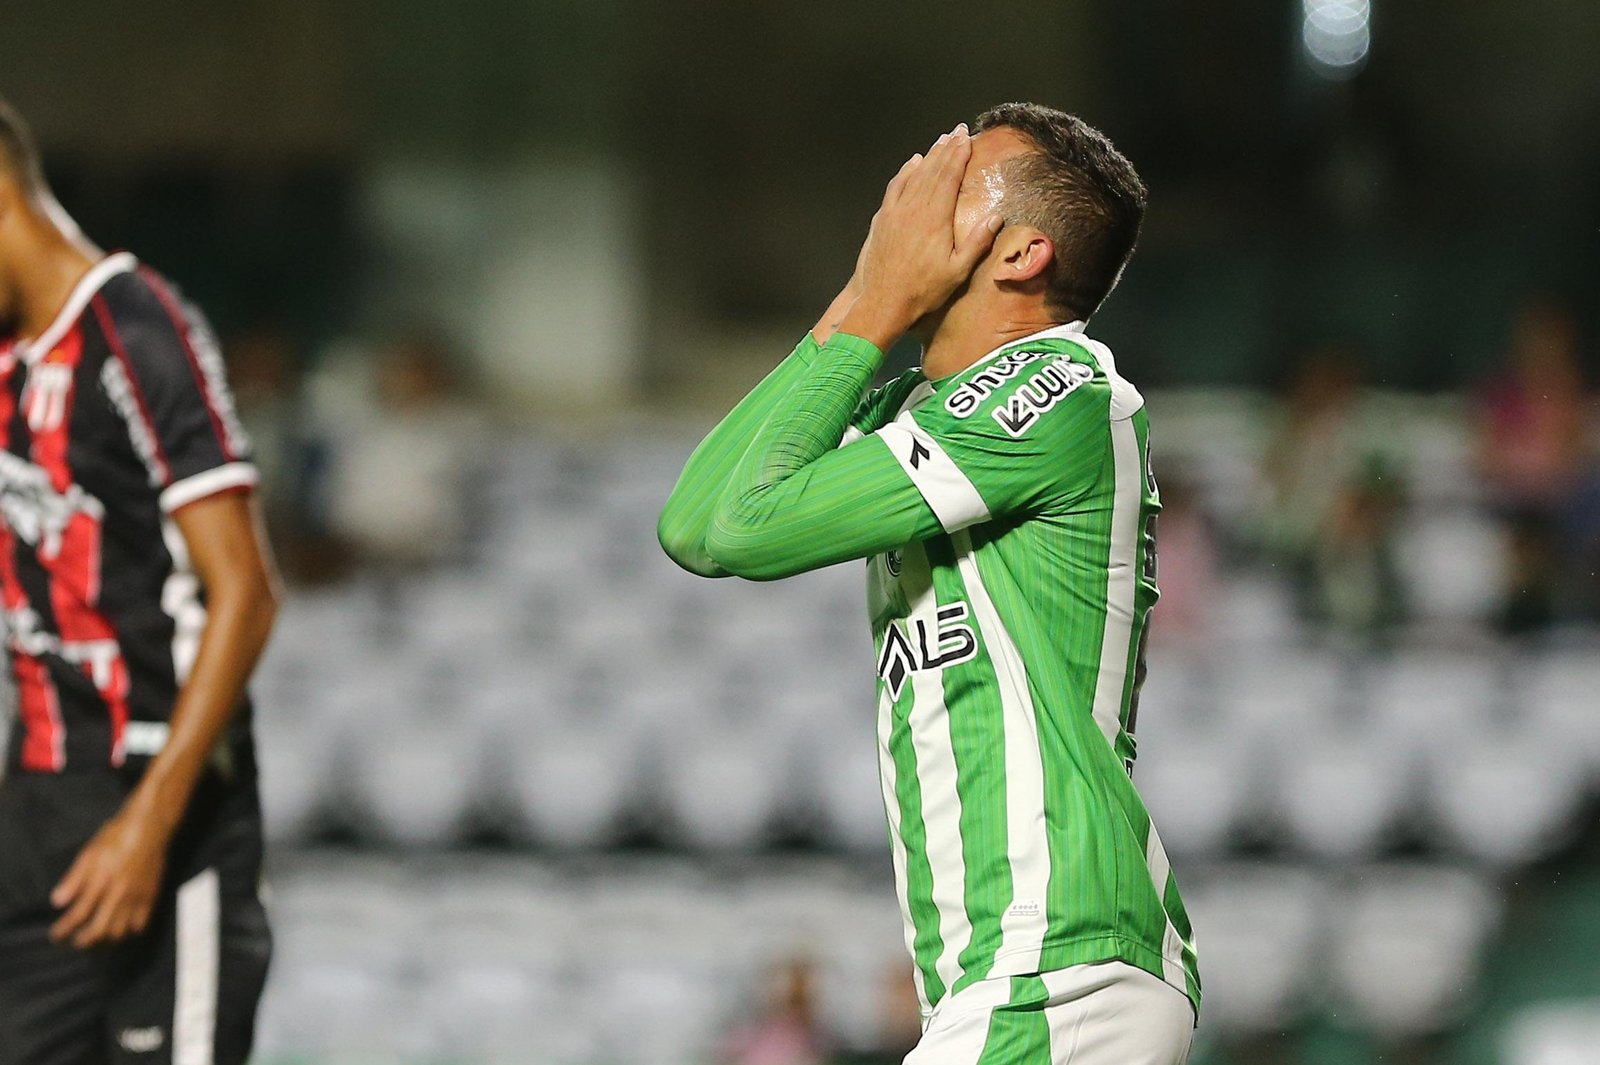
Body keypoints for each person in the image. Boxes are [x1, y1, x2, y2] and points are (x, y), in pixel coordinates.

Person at [660, 104, 1199, 1064]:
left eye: (953, 183)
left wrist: (875, 297)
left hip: (1058, 960)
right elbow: (696, 526)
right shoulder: (920, 414)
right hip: (1003, 974)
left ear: (1022, 252)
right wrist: (859, 310)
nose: (909, 194)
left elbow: (745, 528)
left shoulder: (1063, 388)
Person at [0, 99, 279, 1065]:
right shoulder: (9, 357)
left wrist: (147, 825)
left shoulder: (135, 324)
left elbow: (245, 590)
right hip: (36, 810)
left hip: (165, 808)